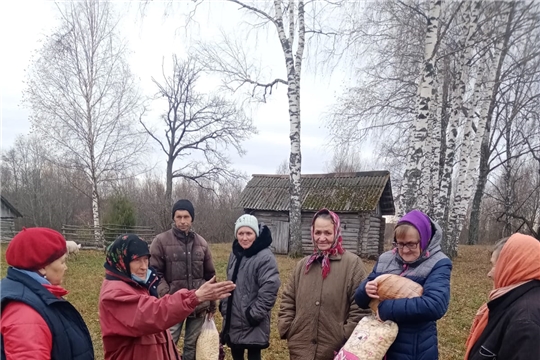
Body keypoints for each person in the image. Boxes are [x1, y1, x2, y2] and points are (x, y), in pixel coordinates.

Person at [99, 233, 235, 360]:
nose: (144, 267)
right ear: (121, 261)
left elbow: (159, 339)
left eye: (146, 259)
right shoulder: (114, 295)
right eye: (137, 260)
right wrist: (194, 297)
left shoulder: (137, 286)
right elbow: (153, 314)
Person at [355, 209, 452, 360]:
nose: (405, 251)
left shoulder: (438, 263)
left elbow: (435, 305)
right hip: (378, 345)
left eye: (412, 244)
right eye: (400, 244)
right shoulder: (386, 259)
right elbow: (361, 301)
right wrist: (365, 290)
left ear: (425, 239)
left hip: (414, 349)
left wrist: (386, 308)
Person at [278, 208, 369, 360]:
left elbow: (361, 307)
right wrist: (288, 327)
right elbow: (288, 299)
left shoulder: (352, 264)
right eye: (317, 233)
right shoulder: (303, 265)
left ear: (336, 233)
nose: (322, 238)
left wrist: (344, 335)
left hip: (335, 350)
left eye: (327, 233)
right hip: (301, 348)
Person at [1, 227, 94, 360]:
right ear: (42, 267)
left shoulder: (34, 295)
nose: (65, 267)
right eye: (62, 262)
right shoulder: (25, 315)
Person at [150, 199, 216, 360]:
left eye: (186, 217)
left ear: (192, 218)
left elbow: (210, 276)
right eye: (178, 217)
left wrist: (212, 304)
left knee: (191, 346)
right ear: (174, 218)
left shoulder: (202, 243)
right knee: (168, 343)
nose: (182, 221)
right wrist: (167, 295)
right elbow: (154, 272)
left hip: (198, 304)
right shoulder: (161, 241)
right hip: (172, 305)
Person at [464, 233, 540, 360]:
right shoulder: (514, 301)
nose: (490, 274)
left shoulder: (525, 321)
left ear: (514, 266)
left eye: (495, 265)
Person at [220, 214, 281, 360]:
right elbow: (229, 281)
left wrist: (253, 314)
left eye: (249, 233)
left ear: (256, 233)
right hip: (234, 318)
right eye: (240, 233)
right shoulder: (235, 253)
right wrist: (224, 305)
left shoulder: (265, 257)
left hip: (252, 320)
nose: (244, 238)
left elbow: (270, 288)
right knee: (236, 354)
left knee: (254, 355)